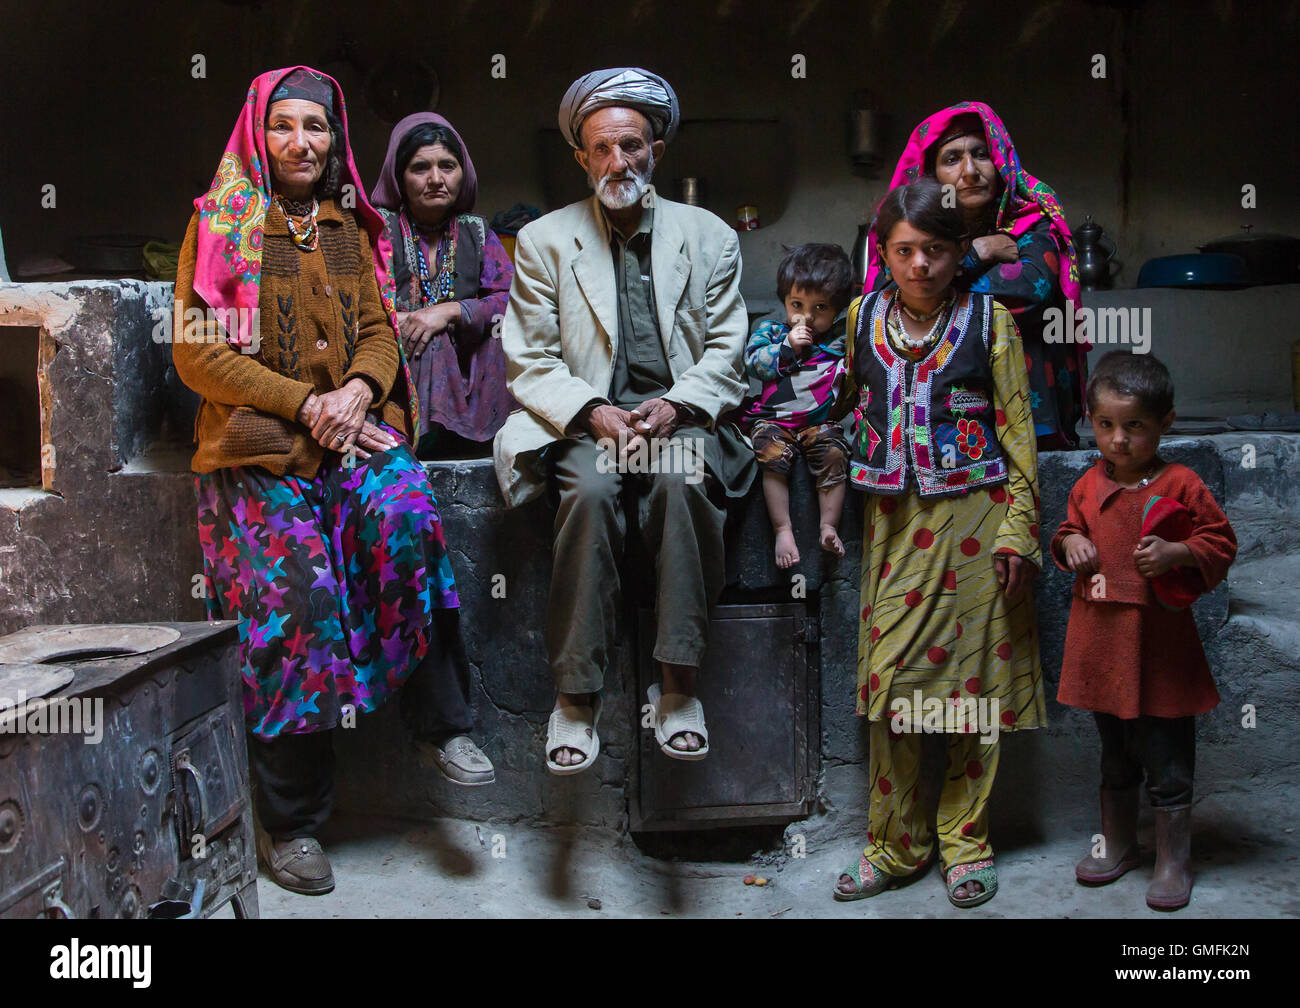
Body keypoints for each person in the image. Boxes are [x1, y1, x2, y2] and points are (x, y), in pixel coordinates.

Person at [173, 67, 486, 897]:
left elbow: (381, 331)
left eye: (316, 126)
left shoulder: (350, 225)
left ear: (335, 138)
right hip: (258, 446)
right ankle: (292, 822)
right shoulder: (219, 225)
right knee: (293, 598)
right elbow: (198, 354)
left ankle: (440, 726)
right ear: (257, 134)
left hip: (347, 429)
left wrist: (355, 391)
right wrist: (305, 403)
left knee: (409, 515)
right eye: (284, 127)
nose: (301, 143)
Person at [493, 67, 755, 774]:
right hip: (588, 428)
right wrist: (593, 411)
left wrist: (676, 404)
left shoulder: (709, 237)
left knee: (677, 482)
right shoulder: (546, 242)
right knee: (590, 491)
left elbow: (731, 346)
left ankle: (677, 688)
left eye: (632, 146)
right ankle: (576, 698)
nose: (618, 162)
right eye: (601, 149)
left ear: (657, 152)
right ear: (581, 157)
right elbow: (531, 359)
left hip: (684, 421)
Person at [834, 178, 1044, 908]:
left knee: (971, 696)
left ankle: (965, 842)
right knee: (892, 690)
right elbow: (830, 403)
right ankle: (895, 844)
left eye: (935, 250)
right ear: (882, 253)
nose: (919, 265)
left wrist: (1020, 530)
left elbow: (1019, 433)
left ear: (960, 252)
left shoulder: (992, 324)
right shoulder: (860, 319)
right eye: (903, 251)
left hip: (979, 527)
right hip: (893, 529)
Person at [1053, 351, 1237, 911]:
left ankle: (1173, 857)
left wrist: (1179, 550)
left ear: (1166, 423)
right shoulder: (1087, 485)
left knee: (1167, 755)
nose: (1119, 440)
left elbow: (1220, 542)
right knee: (1116, 753)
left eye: (1134, 426)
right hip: (1102, 645)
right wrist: (1071, 544)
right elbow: (1066, 531)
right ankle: (1118, 844)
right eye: (1106, 425)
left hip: (1160, 649)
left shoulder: (1182, 483)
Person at [865, 101, 1086, 451]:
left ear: (1001, 162)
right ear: (931, 176)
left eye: (982, 154)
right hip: (940, 405)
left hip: (1027, 399)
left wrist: (938, 287)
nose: (970, 171)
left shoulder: (1033, 219)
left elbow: (1029, 294)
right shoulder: (907, 227)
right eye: (952, 159)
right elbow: (888, 301)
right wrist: (977, 252)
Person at [371, 113, 515, 458]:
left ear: (462, 173)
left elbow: (513, 299)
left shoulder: (476, 232)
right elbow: (356, 300)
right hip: (399, 362)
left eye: (447, 166)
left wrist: (451, 311)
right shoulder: (378, 230)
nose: (436, 179)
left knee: (501, 333)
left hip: (469, 370)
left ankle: (481, 442)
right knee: (429, 339)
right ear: (399, 177)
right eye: (420, 168)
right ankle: (418, 445)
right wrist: (400, 319)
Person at [742, 243, 854, 568]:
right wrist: (787, 347)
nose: (806, 315)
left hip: (819, 425)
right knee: (769, 453)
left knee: (835, 453)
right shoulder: (771, 332)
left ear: (838, 309)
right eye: (797, 304)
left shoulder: (839, 340)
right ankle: (783, 529)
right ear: (784, 300)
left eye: (820, 307)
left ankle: (828, 525)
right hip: (776, 421)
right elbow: (755, 363)